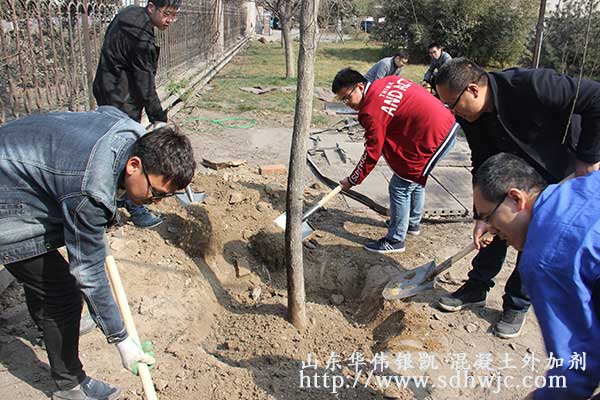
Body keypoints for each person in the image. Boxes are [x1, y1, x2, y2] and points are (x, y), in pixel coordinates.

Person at [0, 106, 196, 400]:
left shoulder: (131, 132)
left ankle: (48, 326)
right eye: (156, 193)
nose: (156, 202)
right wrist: (121, 339)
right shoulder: (89, 193)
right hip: (8, 199)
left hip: (21, 166)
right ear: (133, 166)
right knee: (63, 292)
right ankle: (70, 384)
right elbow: (89, 273)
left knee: (48, 277)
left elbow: (104, 110)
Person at [434, 57, 600, 339]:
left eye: (452, 104)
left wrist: (588, 156)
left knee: (532, 237)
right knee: (494, 224)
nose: (452, 112)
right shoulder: (471, 117)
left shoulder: (531, 86)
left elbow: (596, 97)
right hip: (509, 175)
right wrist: (480, 215)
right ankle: (476, 286)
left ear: (473, 89)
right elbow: (482, 162)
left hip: (556, 171)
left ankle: (517, 303)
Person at [472, 153, 600, 400]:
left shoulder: (547, 258)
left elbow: (576, 366)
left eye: (488, 217)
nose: (490, 229)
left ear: (515, 198)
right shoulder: (586, 185)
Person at [332, 68, 458, 254]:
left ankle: (395, 240)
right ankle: (412, 224)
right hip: (447, 126)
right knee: (413, 179)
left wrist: (352, 180)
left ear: (359, 86)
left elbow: (372, 153)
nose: (347, 104)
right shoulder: (387, 81)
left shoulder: (370, 111)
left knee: (400, 186)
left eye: (347, 97)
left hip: (434, 137)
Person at [93, 0, 181, 229]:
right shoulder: (139, 34)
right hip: (120, 98)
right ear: (151, 7)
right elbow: (145, 81)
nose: (170, 20)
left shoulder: (131, 15)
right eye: (167, 14)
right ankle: (135, 208)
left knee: (114, 150)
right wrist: (158, 117)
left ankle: (115, 202)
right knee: (129, 152)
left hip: (110, 90)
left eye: (174, 15)